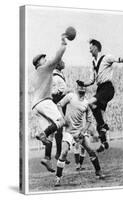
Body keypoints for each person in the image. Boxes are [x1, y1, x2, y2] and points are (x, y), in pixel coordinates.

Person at [77, 39, 123, 152]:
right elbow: (92, 80)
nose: (89, 50)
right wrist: (83, 83)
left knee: (89, 103)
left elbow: (120, 60)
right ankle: (104, 143)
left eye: (90, 47)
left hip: (107, 88)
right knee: (98, 116)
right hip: (100, 89)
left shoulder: (107, 58)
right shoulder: (93, 63)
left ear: (96, 47)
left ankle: (104, 126)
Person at [54, 81, 104, 187]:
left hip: (80, 132)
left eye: (83, 87)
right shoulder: (70, 96)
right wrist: (62, 117)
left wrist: (84, 130)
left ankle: (98, 171)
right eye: (80, 87)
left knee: (91, 150)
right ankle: (58, 178)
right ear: (77, 88)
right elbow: (59, 105)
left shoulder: (86, 103)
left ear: (85, 89)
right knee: (63, 153)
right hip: (68, 131)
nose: (81, 88)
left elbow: (89, 120)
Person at [32, 34, 69, 172]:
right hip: (44, 102)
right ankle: (42, 135)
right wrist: (63, 44)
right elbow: (57, 57)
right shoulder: (44, 68)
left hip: (35, 106)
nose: (46, 59)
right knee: (61, 121)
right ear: (39, 63)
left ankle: (47, 158)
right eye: (43, 59)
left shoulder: (36, 74)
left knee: (50, 134)